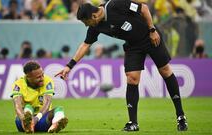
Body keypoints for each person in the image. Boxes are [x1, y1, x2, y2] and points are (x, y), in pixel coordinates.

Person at [55, 0, 188, 132]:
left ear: (94, 16)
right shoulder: (95, 26)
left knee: (165, 71)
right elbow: (85, 45)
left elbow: (144, 8)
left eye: (86, 22)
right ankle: (133, 123)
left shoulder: (116, 4)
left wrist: (152, 29)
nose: (86, 26)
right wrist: (69, 66)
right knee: (132, 78)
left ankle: (180, 116)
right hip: (133, 45)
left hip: (150, 37)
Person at [11, 60, 68, 133]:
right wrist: (23, 119)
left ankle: (55, 125)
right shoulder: (18, 84)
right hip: (22, 123)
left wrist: (36, 119)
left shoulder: (48, 81)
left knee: (59, 109)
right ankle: (28, 124)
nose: (42, 78)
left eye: (42, 75)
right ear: (28, 77)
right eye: (38, 77)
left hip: (42, 120)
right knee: (28, 107)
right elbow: (17, 106)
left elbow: (47, 104)